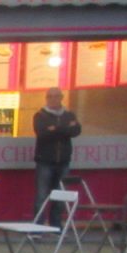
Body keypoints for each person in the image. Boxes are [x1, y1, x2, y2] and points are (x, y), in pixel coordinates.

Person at [34, 87, 82, 228]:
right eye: (50, 96)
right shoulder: (40, 116)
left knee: (60, 197)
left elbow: (76, 131)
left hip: (64, 161)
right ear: (46, 98)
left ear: (61, 97)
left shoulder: (69, 114)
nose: (53, 99)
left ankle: (56, 226)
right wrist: (65, 129)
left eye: (56, 96)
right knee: (41, 196)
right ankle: (37, 228)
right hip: (44, 161)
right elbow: (42, 133)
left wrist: (55, 128)